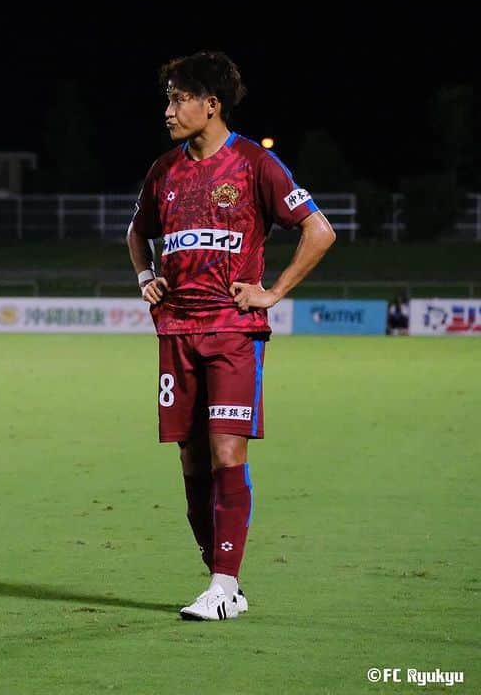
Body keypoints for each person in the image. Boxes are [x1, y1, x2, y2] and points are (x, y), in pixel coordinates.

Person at [126, 51, 336, 621]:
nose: (168, 110)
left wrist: (272, 293)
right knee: (191, 460)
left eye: (178, 99)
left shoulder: (253, 165)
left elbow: (319, 231)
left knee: (225, 450)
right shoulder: (163, 171)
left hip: (232, 331)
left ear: (210, 104)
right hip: (175, 331)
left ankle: (223, 584)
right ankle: (221, 579)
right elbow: (135, 232)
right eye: (168, 98)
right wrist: (147, 275)